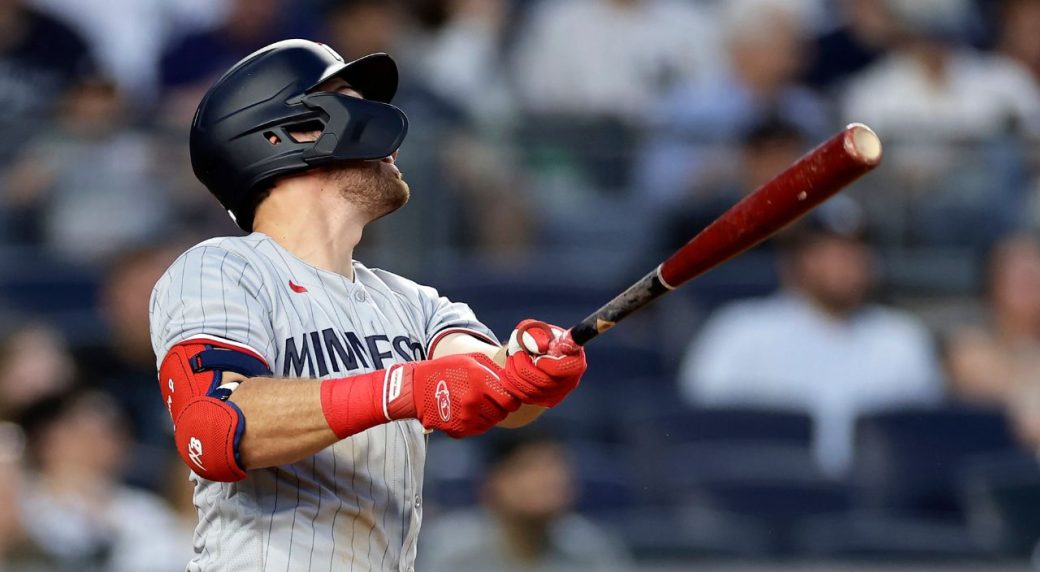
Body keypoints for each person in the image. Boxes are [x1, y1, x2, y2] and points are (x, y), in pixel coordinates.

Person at [148, 39, 588, 572]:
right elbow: (213, 428)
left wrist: (532, 370)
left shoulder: (414, 302)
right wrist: (403, 388)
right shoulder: (221, 267)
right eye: (351, 103)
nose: (383, 127)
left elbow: (490, 383)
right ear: (290, 131)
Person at [679, 200, 944, 475]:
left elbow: (918, 441)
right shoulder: (742, 330)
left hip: (868, 492)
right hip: (769, 486)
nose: (843, 262)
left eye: (854, 249)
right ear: (794, 259)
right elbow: (702, 429)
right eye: (827, 250)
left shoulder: (901, 338)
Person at [16, 391, 189, 572]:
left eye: (108, 434)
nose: (95, 445)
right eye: (82, 433)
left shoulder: (147, 510)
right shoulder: (20, 499)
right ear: (47, 440)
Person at [421, 430, 631, 572]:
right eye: (529, 468)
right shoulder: (451, 551)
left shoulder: (592, 551)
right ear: (494, 481)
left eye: (555, 466)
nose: (547, 479)